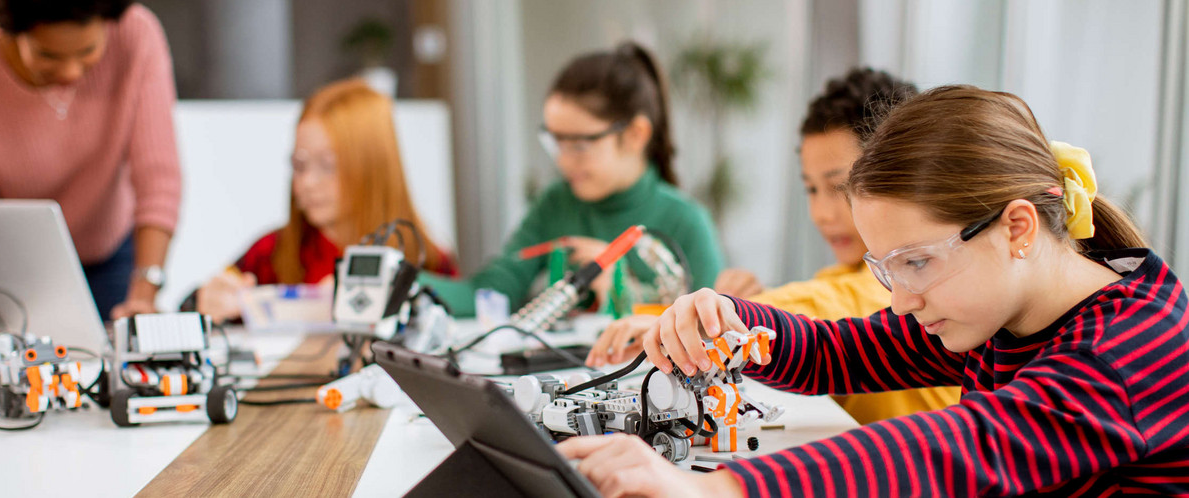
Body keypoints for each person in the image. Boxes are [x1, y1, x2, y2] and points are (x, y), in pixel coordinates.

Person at [558, 85, 1188, 496]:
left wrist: (717, 490)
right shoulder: (1005, 308)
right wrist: (732, 323)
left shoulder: (1132, 348)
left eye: (916, 261)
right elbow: (845, 349)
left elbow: (960, 449)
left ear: (1017, 227)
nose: (900, 298)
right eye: (887, 268)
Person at [588, 68, 960, 425]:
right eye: (810, 189)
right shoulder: (846, 274)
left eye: (839, 188)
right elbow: (825, 335)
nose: (821, 213)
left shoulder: (902, 286)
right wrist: (735, 310)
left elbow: (834, 305)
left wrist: (716, 320)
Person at [420, 41, 724, 316]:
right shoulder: (556, 204)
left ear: (635, 135)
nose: (563, 161)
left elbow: (710, 329)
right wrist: (398, 280)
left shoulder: (687, 222)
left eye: (579, 145)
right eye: (556, 142)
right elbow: (492, 291)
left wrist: (624, 289)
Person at [0, 0, 181, 321]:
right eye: (47, 55)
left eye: (87, 51)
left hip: (113, 253)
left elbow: (158, 177)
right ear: (12, 31)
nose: (70, 72)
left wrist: (145, 293)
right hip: (24, 270)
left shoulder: (136, 35)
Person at [193, 79, 457, 323]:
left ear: (373, 169)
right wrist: (202, 304)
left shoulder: (430, 263)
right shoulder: (268, 255)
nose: (307, 182)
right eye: (299, 165)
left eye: (327, 166)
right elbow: (197, 310)